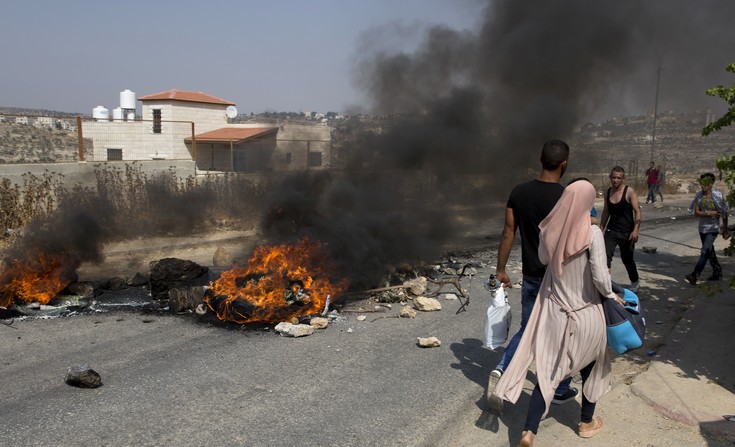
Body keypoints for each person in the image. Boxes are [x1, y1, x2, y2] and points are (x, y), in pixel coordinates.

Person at [492, 180, 619, 446]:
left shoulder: (549, 232)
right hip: (587, 313)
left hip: (557, 314)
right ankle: (586, 423)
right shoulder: (592, 233)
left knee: (549, 373)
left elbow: (543, 260)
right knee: (592, 369)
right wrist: (612, 294)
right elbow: (600, 277)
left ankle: (528, 431)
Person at [487, 139, 577, 415]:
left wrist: (501, 270)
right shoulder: (567, 197)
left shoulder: (519, 192)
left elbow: (508, 233)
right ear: (564, 164)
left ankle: (502, 369)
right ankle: (560, 389)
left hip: (531, 277)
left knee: (527, 329)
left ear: (540, 159)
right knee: (563, 333)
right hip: (559, 280)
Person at [599, 166, 641, 293]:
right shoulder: (607, 192)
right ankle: (606, 284)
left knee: (627, 258)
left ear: (623, 178)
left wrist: (635, 230)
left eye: (618, 178)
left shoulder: (629, 192)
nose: (615, 180)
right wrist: (601, 228)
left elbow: (637, 211)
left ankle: (635, 281)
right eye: (613, 177)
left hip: (626, 232)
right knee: (605, 257)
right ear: (610, 178)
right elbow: (606, 211)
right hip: (611, 230)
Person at [685, 173, 730, 285]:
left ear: (710, 183)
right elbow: (697, 212)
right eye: (701, 183)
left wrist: (725, 230)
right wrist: (709, 213)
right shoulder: (699, 196)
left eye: (705, 183)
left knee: (705, 251)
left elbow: (724, 213)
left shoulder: (717, 196)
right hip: (702, 229)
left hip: (713, 229)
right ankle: (717, 271)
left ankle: (694, 275)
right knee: (709, 251)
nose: (702, 185)